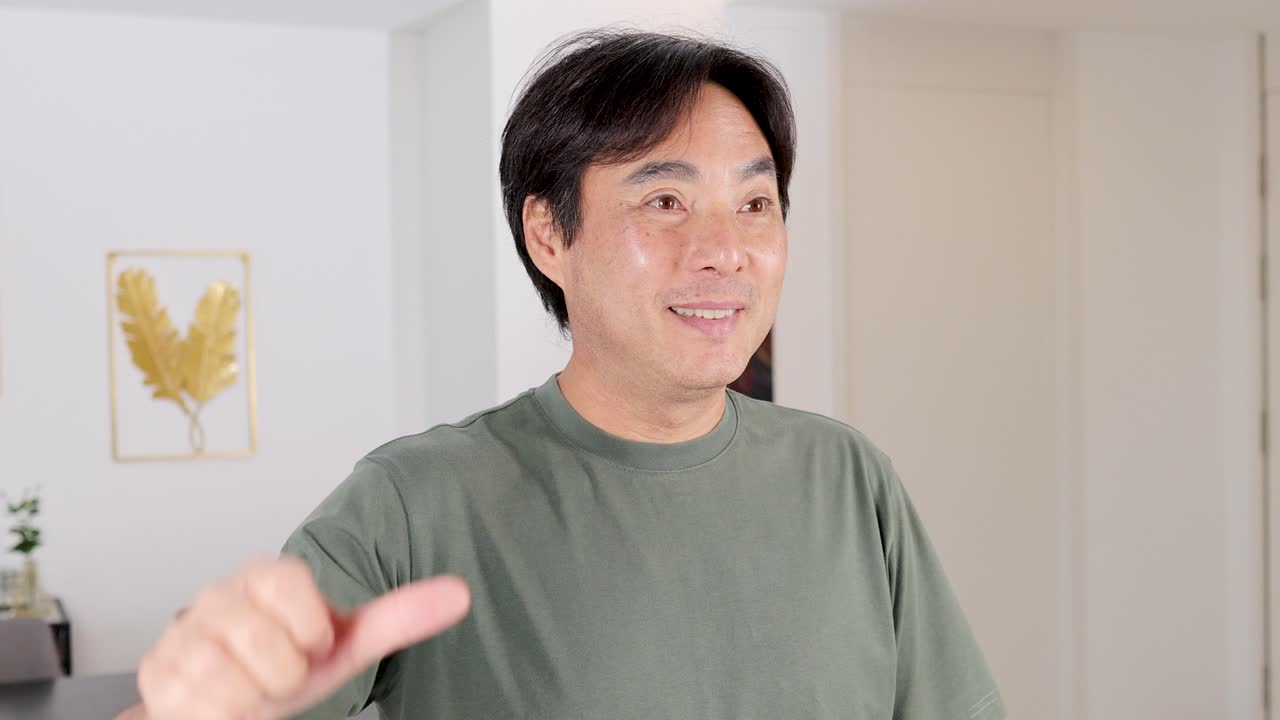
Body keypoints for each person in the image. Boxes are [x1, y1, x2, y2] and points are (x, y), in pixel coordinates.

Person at [123, 30, 1005, 720]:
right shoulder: (415, 500)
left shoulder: (849, 479)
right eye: (665, 201)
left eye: (754, 202)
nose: (725, 252)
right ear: (550, 235)